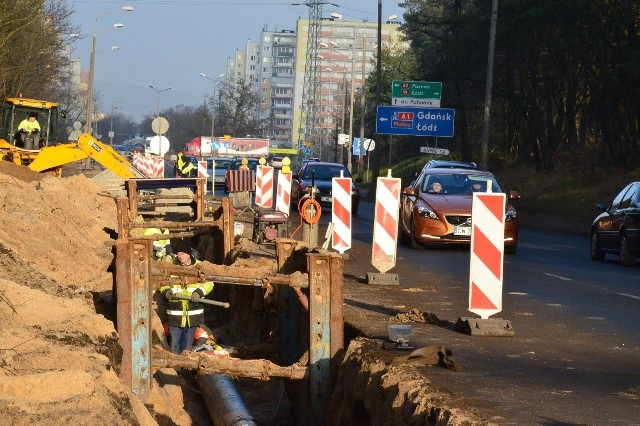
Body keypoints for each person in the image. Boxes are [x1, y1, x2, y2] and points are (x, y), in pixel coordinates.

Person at [158, 239, 214, 354]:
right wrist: (167, 291)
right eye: (178, 253)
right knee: (174, 344)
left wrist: (199, 292)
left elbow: (209, 283)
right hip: (175, 314)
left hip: (192, 314)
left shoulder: (199, 267)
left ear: (189, 254)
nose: (180, 256)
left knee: (187, 346)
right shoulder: (171, 267)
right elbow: (161, 282)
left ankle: (184, 369)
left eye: (183, 254)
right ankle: (175, 369)